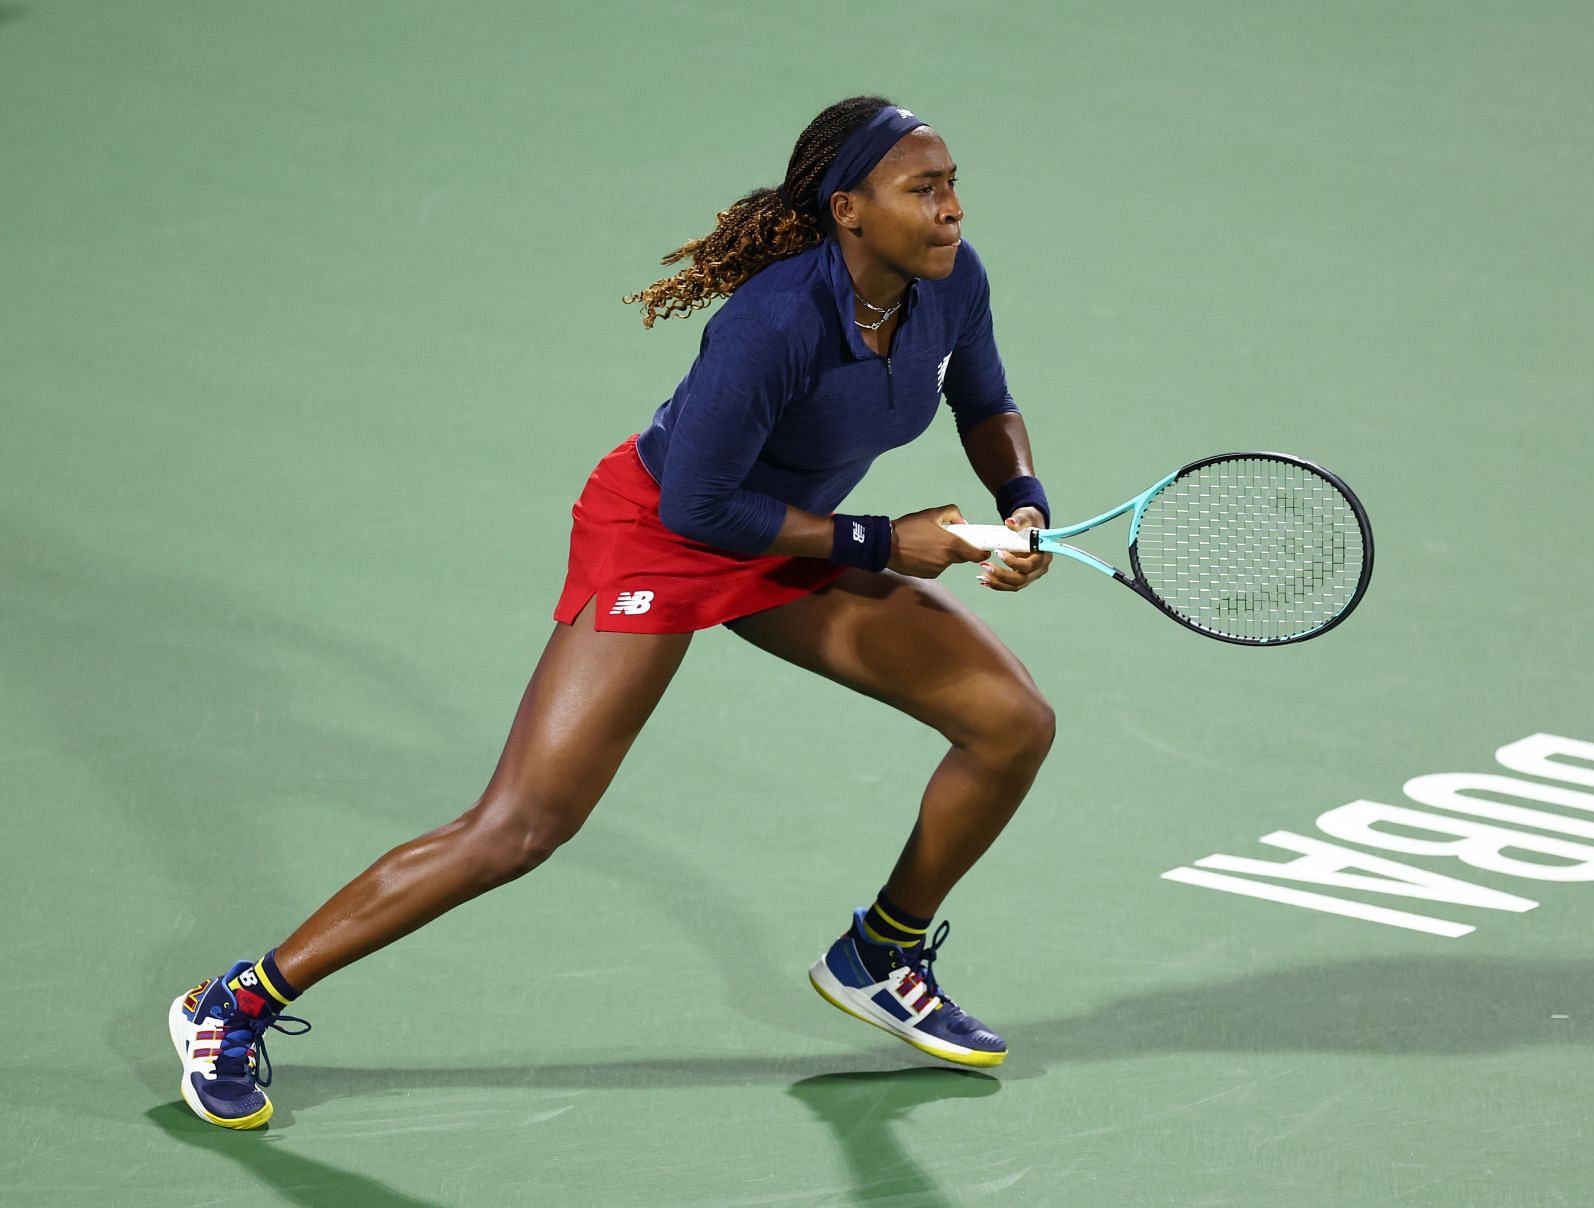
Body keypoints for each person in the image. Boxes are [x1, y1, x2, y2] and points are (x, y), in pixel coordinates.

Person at [167, 96, 1057, 1130]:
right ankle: (231, 1004)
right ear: (849, 208)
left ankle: (881, 950)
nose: (951, 208)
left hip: (795, 537)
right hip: (670, 535)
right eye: (925, 188)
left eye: (952, 185)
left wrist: (1020, 500)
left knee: (1011, 722)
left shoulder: (952, 282)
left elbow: (985, 402)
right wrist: (879, 540)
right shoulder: (774, 322)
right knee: (521, 825)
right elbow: (701, 506)